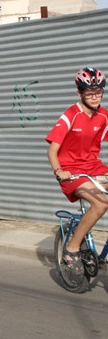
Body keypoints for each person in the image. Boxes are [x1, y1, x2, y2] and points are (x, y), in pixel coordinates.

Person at [46, 67, 108, 280]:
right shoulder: (71, 115)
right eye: (89, 93)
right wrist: (59, 170)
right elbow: (52, 149)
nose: (94, 97)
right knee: (101, 204)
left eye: (98, 92)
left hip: (94, 167)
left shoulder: (103, 116)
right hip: (71, 172)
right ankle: (72, 247)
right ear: (79, 93)